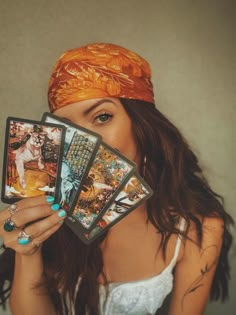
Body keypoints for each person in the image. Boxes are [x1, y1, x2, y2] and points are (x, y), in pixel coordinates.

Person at [0, 43, 234, 315]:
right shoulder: (52, 211)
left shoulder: (199, 229)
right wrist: (28, 253)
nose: (87, 143)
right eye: (69, 128)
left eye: (102, 117)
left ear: (142, 127)